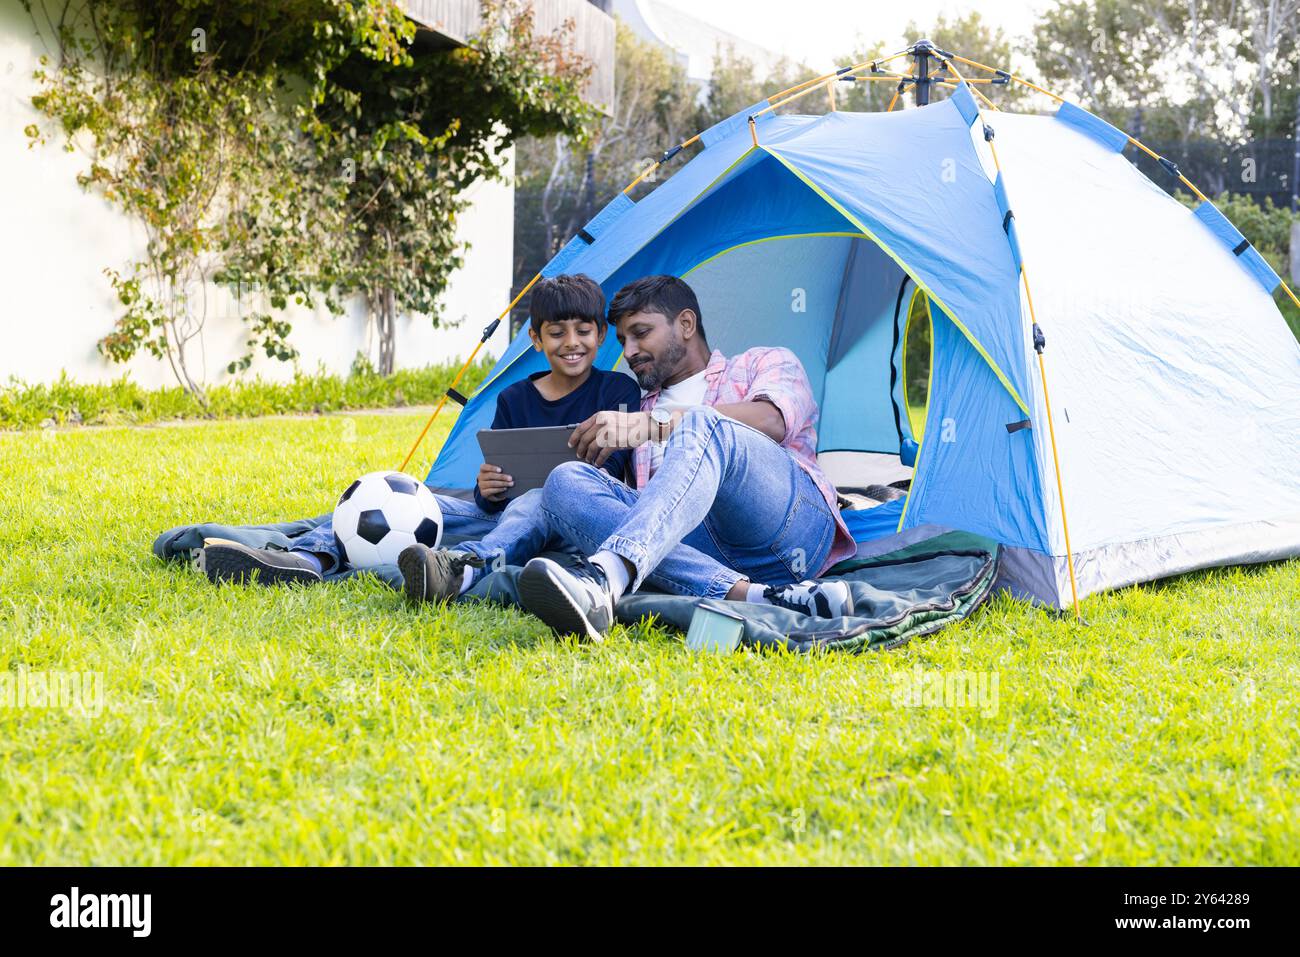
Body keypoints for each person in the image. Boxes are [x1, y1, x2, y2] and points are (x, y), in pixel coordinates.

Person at [200, 274, 641, 601]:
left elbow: (620, 479)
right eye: (557, 332)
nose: (572, 343)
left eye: (583, 331)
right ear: (535, 339)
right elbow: (494, 497)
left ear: (601, 336)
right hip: (506, 517)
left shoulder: (617, 391)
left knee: (535, 499)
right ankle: (303, 559)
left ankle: (462, 568)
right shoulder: (515, 397)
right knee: (402, 496)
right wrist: (487, 491)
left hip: (570, 527)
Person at [514, 275, 859, 641]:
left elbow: (772, 421)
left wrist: (650, 425)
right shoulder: (636, 405)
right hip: (702, 551)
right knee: (566, 481)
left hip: (788, 531)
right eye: (622, 341)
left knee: (702, 421)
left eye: (641, 333)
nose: (629, 351)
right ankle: (753, 597)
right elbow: (646, 511)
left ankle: (607, 576)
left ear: (686, 324)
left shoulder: (763, 361)